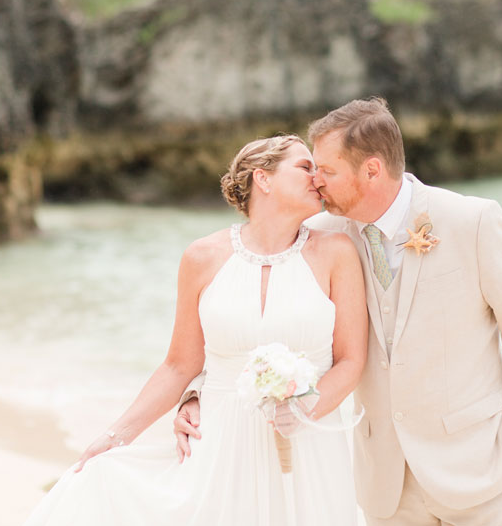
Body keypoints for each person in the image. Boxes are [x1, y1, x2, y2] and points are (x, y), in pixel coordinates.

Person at [175, 98, 502, 525]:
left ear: (372, 170)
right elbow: (254, 319)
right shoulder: (323, 238)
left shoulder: (472, 222)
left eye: (328, 170)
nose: (316, 182)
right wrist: (198, 392)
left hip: (480, 477)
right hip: (384, 488)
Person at [24, 135, 368, 526]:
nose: (318, 178)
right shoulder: (202, 257)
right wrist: (116, 435)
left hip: (310, 442)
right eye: (305, 167)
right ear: (263, 179)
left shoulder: (337, 252)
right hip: (220, 445)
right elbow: (178, 366)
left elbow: (352, 359)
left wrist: (307, 407)